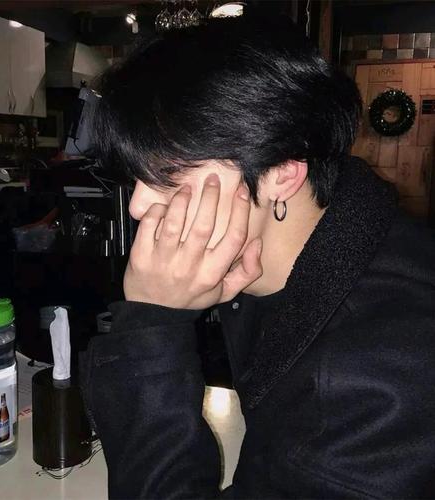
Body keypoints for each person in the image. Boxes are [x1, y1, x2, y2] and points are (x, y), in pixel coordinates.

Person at [82, 12, 435, 499]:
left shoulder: (369, 378)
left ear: (282, 172)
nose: (138, 205)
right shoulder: (309, 245)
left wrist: (151, 322)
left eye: (167, 173)